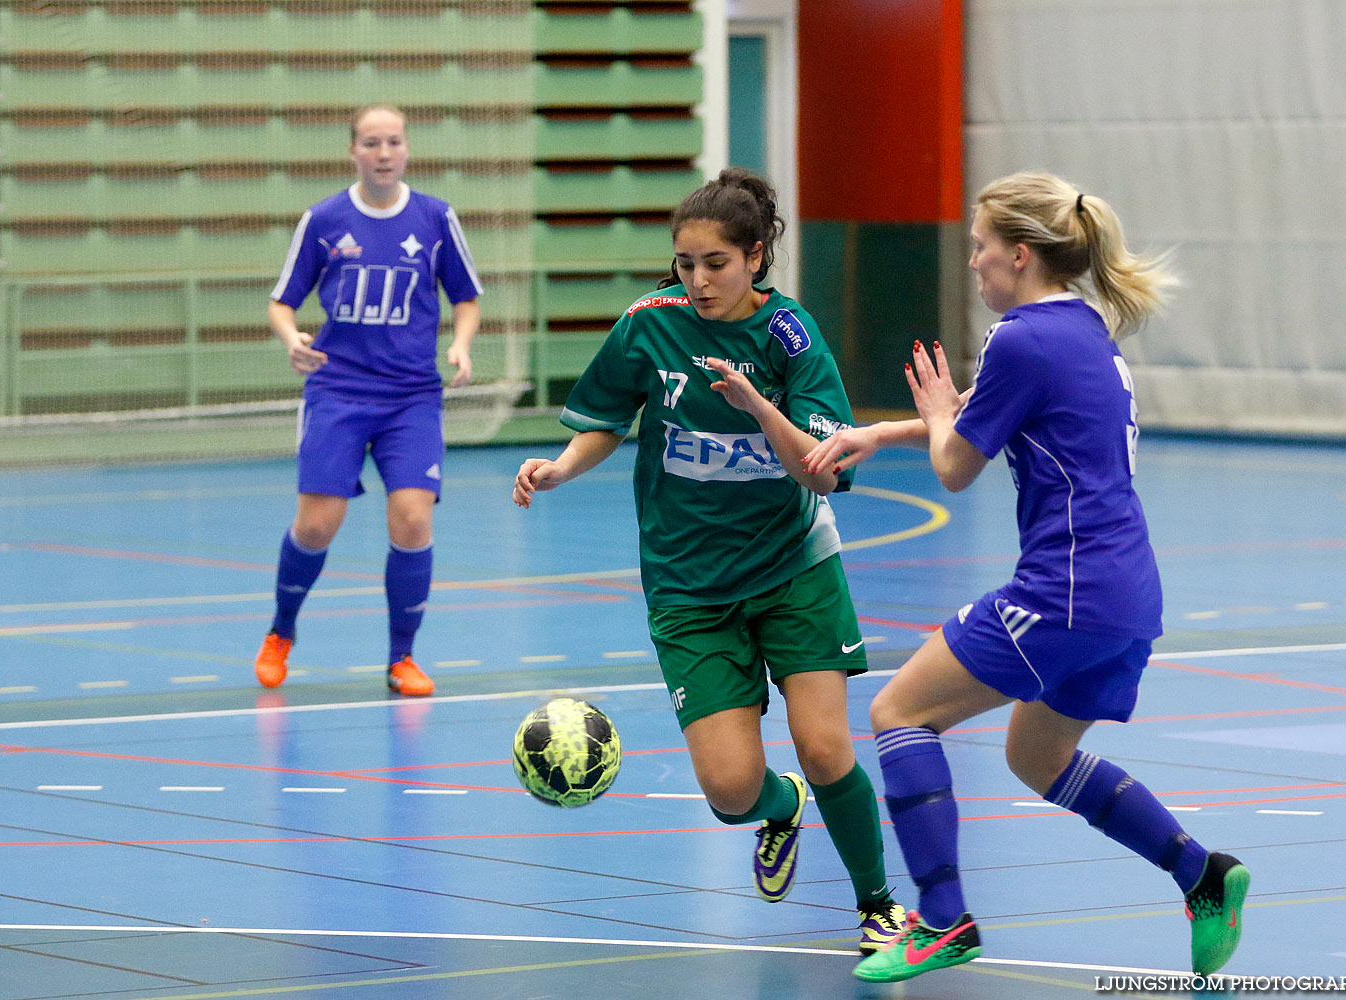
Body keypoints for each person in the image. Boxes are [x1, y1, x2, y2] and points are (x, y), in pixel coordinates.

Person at [803, 171, 1250, 983]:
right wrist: (883, 432)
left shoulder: (1019, 337)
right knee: (1037, 757)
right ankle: (1202, 874)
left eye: (978, 249)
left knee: (899, 712)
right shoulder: (1079, 327)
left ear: (1018, 254)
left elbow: (956, 463)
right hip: (1126, 595)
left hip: (1065, 592)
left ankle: (943, 922)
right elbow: (982, 413)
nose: (971, 264)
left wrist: (935, 417)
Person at [512, 167, 906, 955]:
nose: (696, 280)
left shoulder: (791, 338)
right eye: (685, 263)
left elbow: (821, 471)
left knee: (826, 748)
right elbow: (606, 418)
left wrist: (757, 407)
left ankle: (878, 906)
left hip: (793, 567)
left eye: (715, 264)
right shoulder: (648, 324)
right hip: (688, 587)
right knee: (730, 794)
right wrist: (561, 466)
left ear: (756, 256)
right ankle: (778, 807)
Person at [253, 103, 483, 696]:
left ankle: (402, 658)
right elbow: (282, 301)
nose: (384, 153)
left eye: (395, 142)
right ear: (353, 150)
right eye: (372, 143)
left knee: (411, 519)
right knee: (318, 524)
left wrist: (459, 345)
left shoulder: (435, 218)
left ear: (407, 149)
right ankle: (281, 630)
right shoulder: (324, 219)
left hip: (410, 395)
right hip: (338, 388)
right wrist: (290, 339)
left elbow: (466, 297)